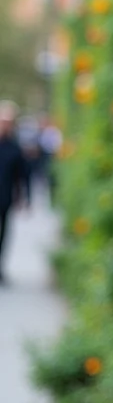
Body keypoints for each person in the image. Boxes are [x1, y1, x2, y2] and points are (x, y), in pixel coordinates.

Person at [0, 101, 29, 283]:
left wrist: (25, 197)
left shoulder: (14, 148)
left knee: (4, 234)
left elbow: (22, 175)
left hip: (5, 197)